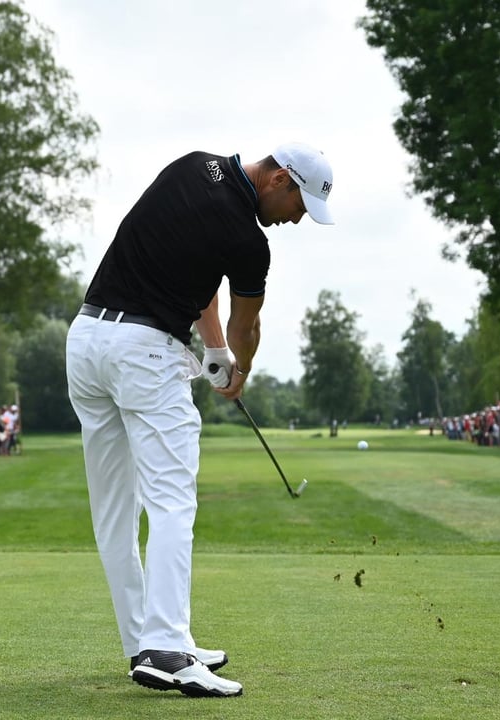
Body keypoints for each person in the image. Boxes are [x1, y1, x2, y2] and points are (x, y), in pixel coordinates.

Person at [66, 142, 334, 697]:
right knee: (171, 499)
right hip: (143, 350)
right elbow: (246, 325)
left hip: (87, 340)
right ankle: (167, 648)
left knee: (115, 509)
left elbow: (200, 279)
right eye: (300, 204)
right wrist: (239, 368)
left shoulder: (193, 165)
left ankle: (148, 641)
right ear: (280, 179)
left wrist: (211, 352)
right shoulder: (249, 241)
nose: (296, 218)